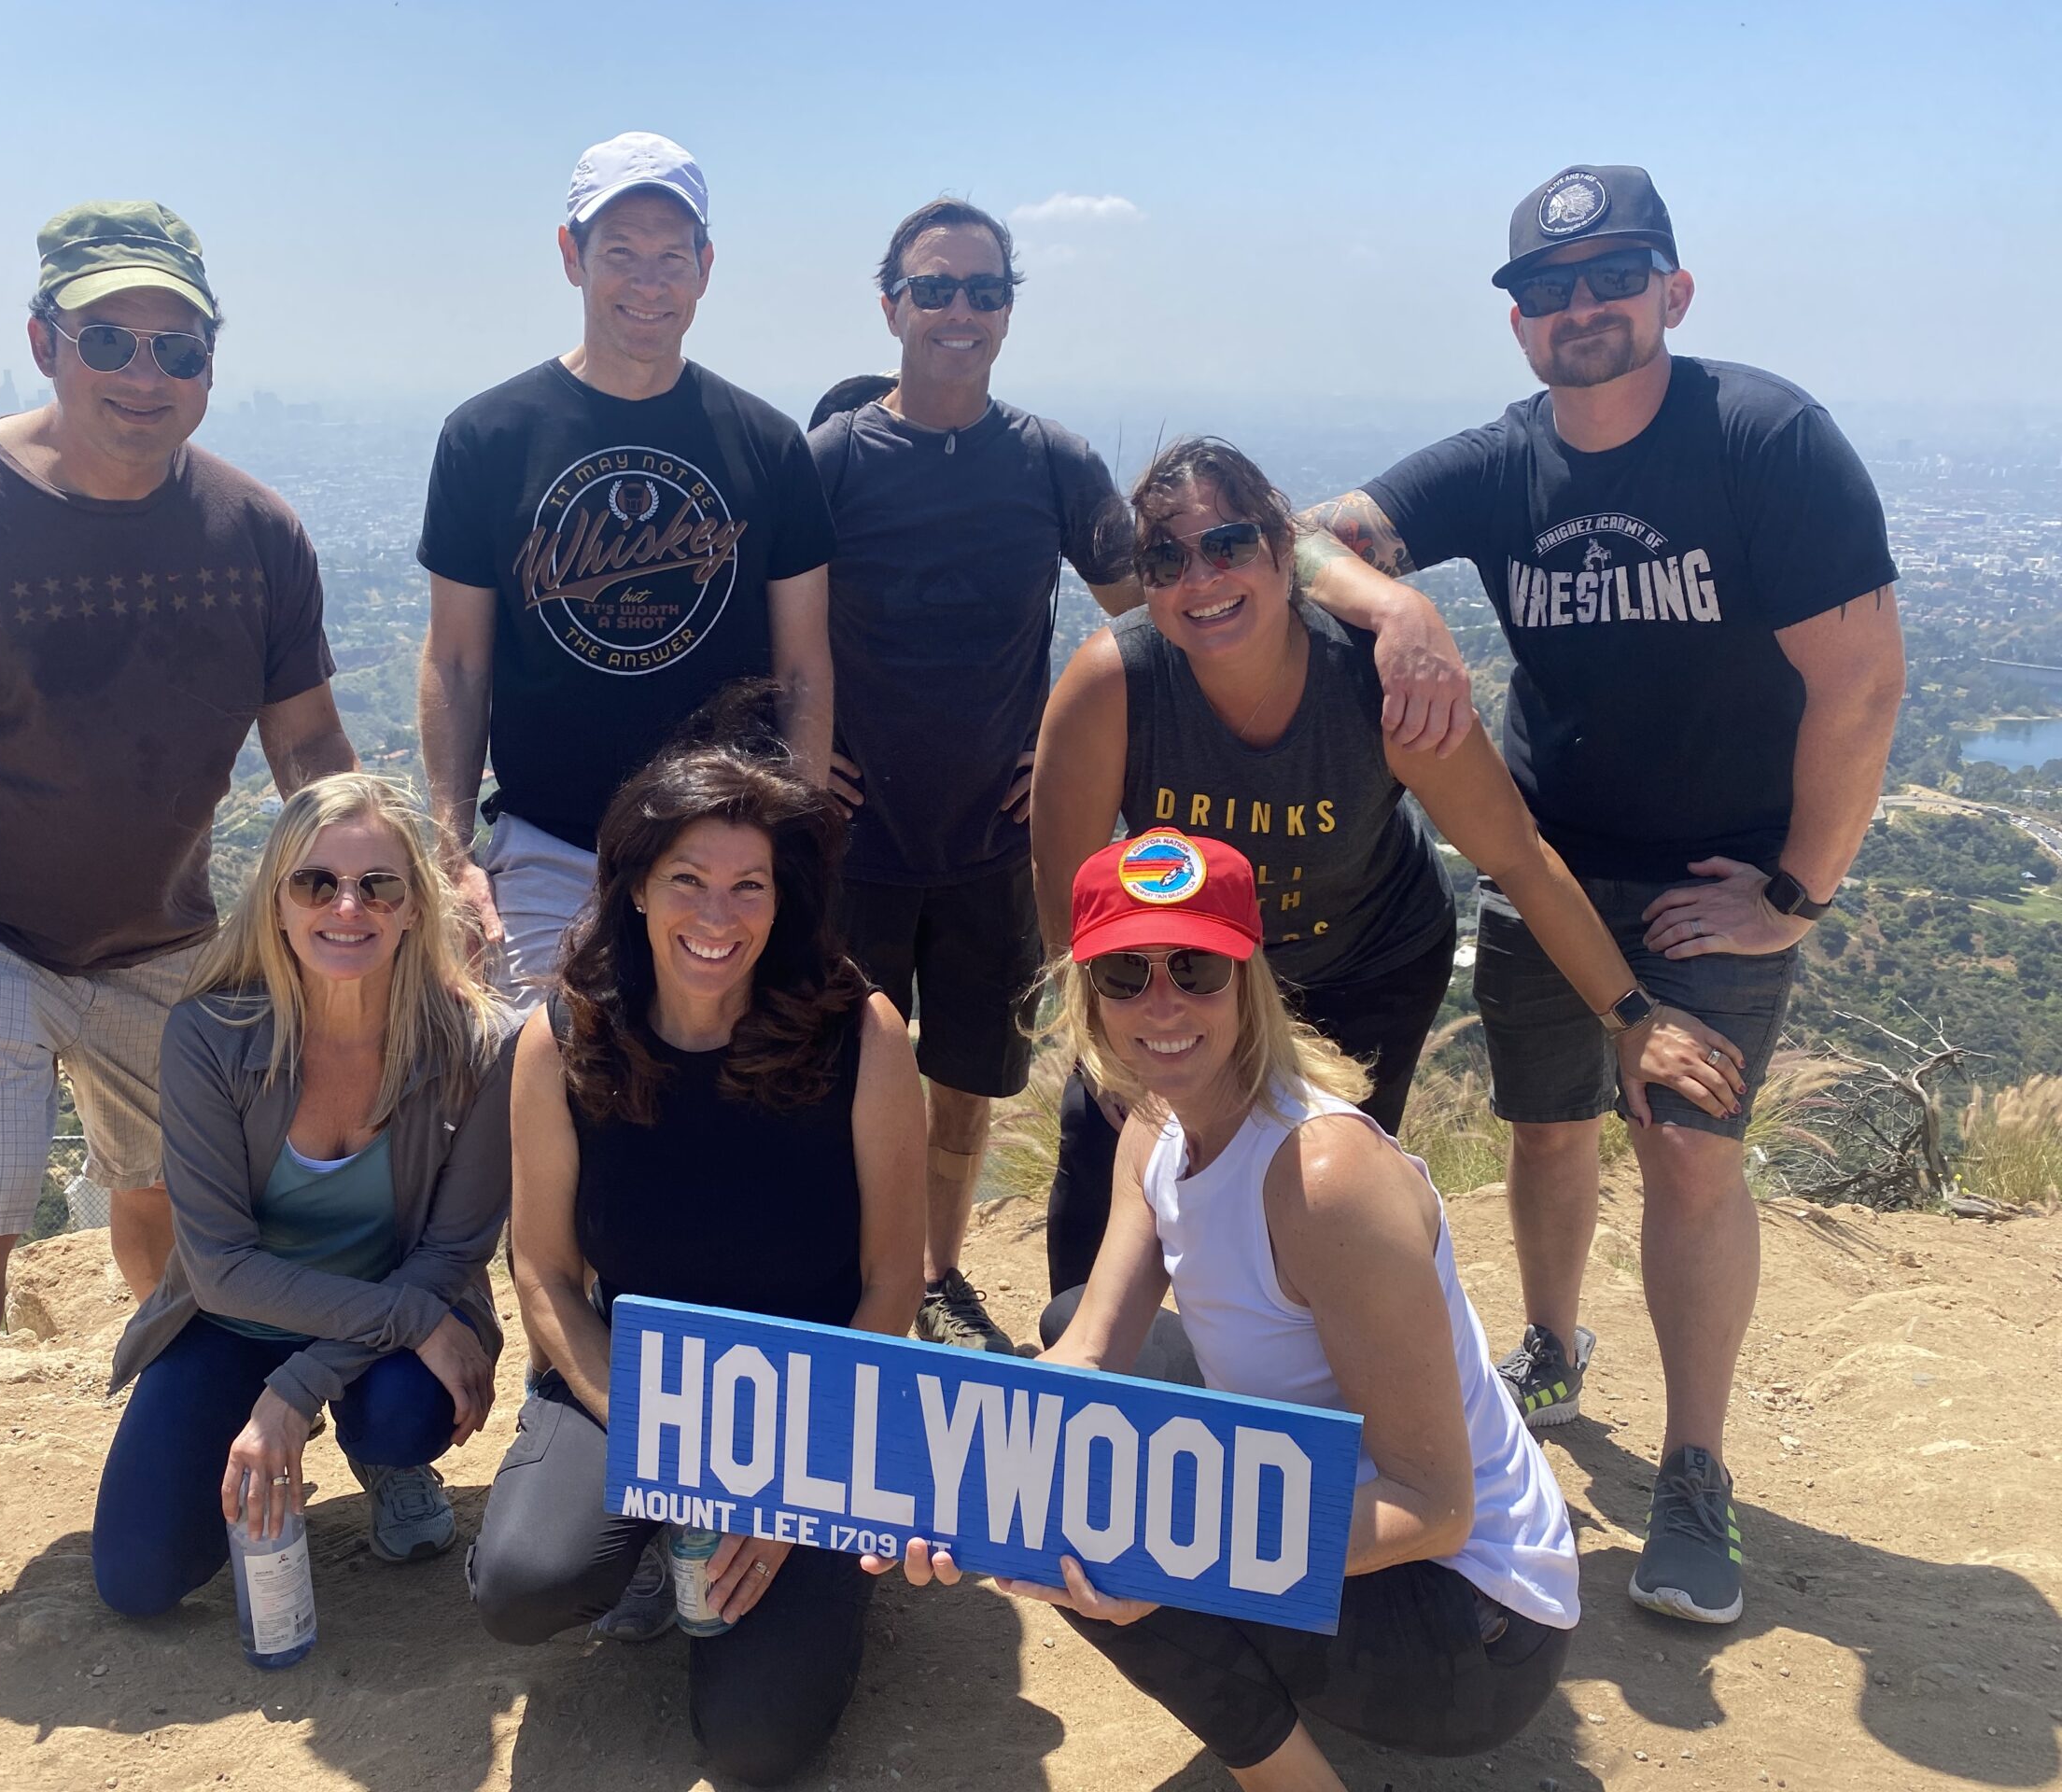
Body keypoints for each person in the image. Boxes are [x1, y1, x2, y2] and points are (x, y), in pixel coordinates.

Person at [1290, 164, 1905, 1622]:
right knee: (1546, 1129)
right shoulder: (1504, 464)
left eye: (1613, 278)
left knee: (1690, 1150)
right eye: (1548, 290)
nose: (1581, 308)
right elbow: (1295, 532)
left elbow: (1863, 685)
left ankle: (1695, 1469)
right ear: (1519, 327)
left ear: (1672, 293)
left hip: (1715, 881)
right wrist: (1396, 599)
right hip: (1547, 870)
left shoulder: (1765, 439)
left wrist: (1797, 894)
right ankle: (1553, 1352)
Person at [0, 201, 356, 1671]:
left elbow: (308, 743)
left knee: (175, 1203)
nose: (143, 370)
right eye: (108, 339)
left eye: (177, 344)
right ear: (44, 340)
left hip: (170, 933)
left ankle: (172, 1414)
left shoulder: (256, 532)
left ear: (210, 362)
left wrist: (381, 878)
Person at [873, 829, 1579, 1792]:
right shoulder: (1157, 1127)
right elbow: (1085, 1351)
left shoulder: (1323, 1179)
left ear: (1248, 975)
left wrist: (1166, 1558)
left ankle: (1291, 1780)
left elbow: (1436, 1511)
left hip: (1472, 1630)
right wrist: (938, 1485)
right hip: (1369, 1528)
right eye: (1123, 972)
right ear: (1088, 993)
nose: (1161, 1003)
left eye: (1196, 965)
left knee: (1099, 1523)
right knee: (1065, 1423)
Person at [1032, 436, 1742, 1306]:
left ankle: (1315, 1402)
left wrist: (1630, 1017)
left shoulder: (1376, 686)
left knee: (1323, 1196)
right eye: (1166, 558)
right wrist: (1109, 1051)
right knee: (1100, 1143)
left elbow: (1514, 852)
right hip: (1183, 972)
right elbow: (1071, 904)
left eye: (1229, 546)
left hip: (1363, 964)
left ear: (1286, 552)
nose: (1201, 579)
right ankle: (1080, 1381)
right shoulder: (1116, 683)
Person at [468, 708, 925, 1785]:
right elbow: (540, 1269)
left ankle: (817, 1567)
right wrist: (656, 1438)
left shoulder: (860, 1035)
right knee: (524, 1586)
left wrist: (786, 1488)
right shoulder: (565, 1036)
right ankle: (637, 1547)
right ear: (633, 882)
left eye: (748, 885)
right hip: (638, 1374)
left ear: (784, 898)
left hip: (816, 1400)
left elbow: (892, 1280)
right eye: (687, 879)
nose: (716, 914)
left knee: (757, 1745)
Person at [814, 199, 1143, 1355]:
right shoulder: (836, 459)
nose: (960, 311)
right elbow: (768, 627)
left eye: (984, 290)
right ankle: (861, 1287)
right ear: (890, 301)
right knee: (842, 1081)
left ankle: (936, 1278)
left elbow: (1140, 622)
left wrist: (1070, 759)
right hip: (854, 846)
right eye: (936, 287)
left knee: (963, 1087)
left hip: (993, 845)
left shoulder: (1049, 460)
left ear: (1007, 308)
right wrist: (802, 757)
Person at [417, 130, 837, 1017]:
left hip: (728, 854)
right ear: (571, 256)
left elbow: (803, 666)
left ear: (706, 267)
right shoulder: (487, 439)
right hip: (548, 845)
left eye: (670, 256)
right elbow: (456, 662)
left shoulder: (766, 446)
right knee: (532, 1098)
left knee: (719, 1104)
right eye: (620, 253)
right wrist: (452, 854)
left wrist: (794, 846)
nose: (649, 282)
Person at [93, 774, 511, 1612]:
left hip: (396, 1328)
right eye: (316, 882)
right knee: (139, 1581)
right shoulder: (210, 1037)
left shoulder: (481, 1048)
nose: (347, 907)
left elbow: (452, 1254)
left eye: (378, 885)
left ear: (415, 907)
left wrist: (298, 1386)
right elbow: (218, 1270)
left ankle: (383, 1456)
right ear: (277, 902)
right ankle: (275, 1419)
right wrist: (413, 1324)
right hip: (237, 1323)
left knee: (401, 1414)